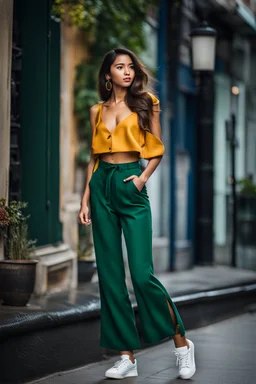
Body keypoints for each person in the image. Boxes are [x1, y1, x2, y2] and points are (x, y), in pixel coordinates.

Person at [78, 47, 196, 380]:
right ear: (108, 75)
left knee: (142, 275)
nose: (127, 72)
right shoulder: (96, 111)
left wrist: (142, 179)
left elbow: (156, 148)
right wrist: (86, 198)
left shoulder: (147, 103)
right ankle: (126, 357)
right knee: (111, 276)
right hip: (101, 188)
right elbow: (94, 157)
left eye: (130, 67)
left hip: (131, 185)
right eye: (120, 67)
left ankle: (182, 344)